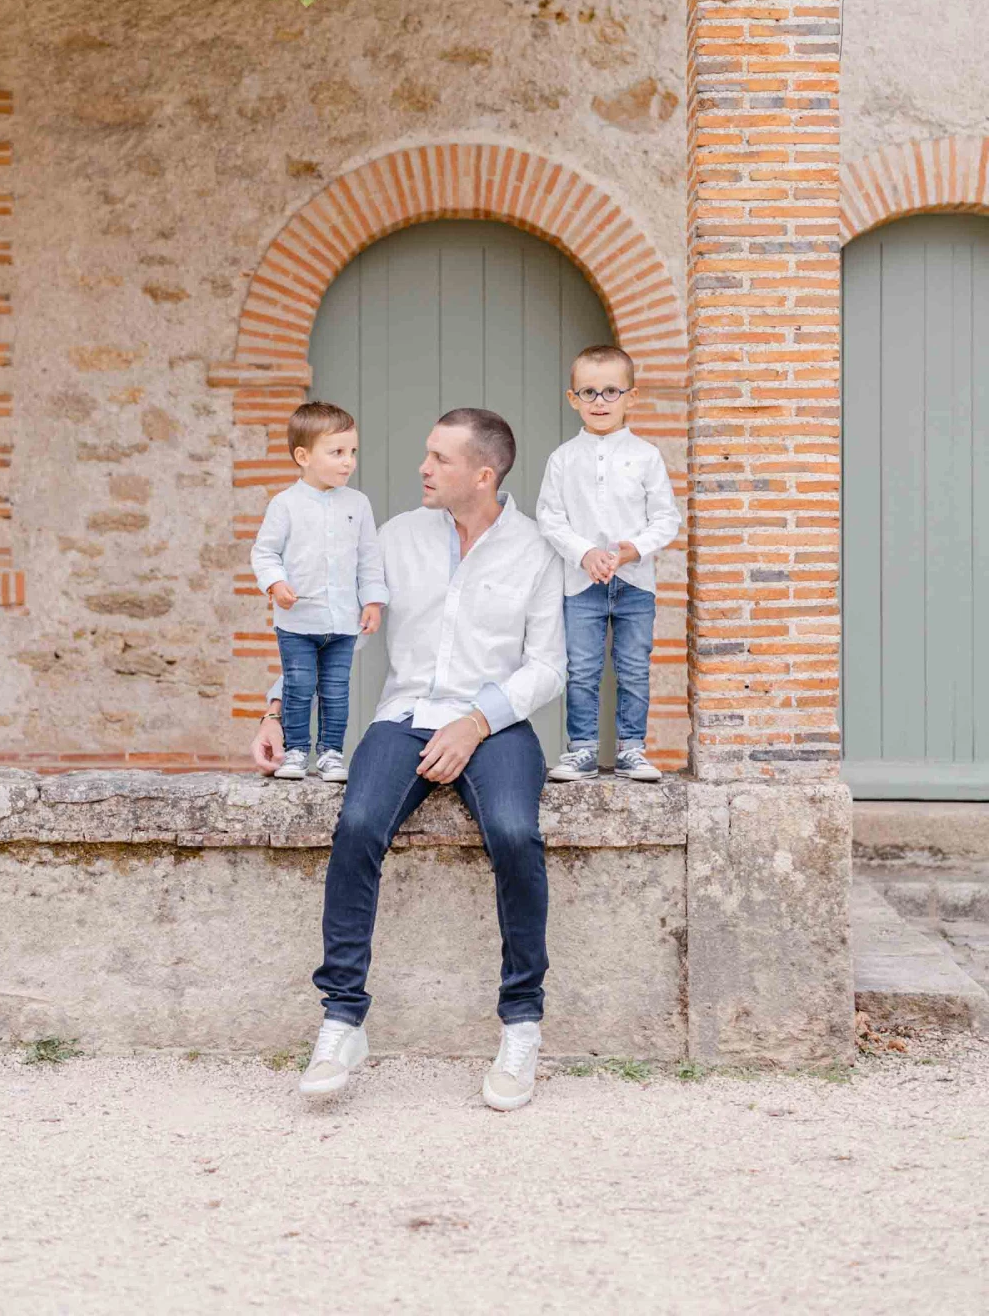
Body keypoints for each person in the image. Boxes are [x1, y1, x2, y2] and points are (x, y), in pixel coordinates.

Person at [252, 407, 566, 1113]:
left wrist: (478, 722)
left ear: (482, 476)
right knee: (359, 824)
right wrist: (276, 711)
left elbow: (549, 667)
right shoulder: (394, 539)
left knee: (515, 835)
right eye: (426, 455)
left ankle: (522, 1025)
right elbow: (342, 632)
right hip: (403, 718)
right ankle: (340, 1021)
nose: (422, 468)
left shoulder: (536, 552)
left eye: (439, 459)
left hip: (497, 724)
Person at [536, 344, 681, 784]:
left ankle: (631, 749)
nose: (600, 402)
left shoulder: (646, 456)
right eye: (589, 392)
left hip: (635, 583)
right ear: (572, 398)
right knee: (582, 669)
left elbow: (666, 518)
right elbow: (549, 517)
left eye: (611, 392)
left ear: (630, 398)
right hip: (582, 585)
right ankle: (581, 749)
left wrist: (633, 548)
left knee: (634, 667)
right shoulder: (563, 459)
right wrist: (585, 553)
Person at [250, 402, 387, 783]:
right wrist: (276, 583)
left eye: (353, 452)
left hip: (343, 621)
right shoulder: (285, 505)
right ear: (303, 456)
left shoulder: (358, 505)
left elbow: (368, 558)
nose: (349, 462)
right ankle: (295, 750)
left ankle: (330, 753)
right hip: (298, 621)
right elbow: (264, 552)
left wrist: (373, 600)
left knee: (336, 691)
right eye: (337, 452)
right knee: (298, 685)